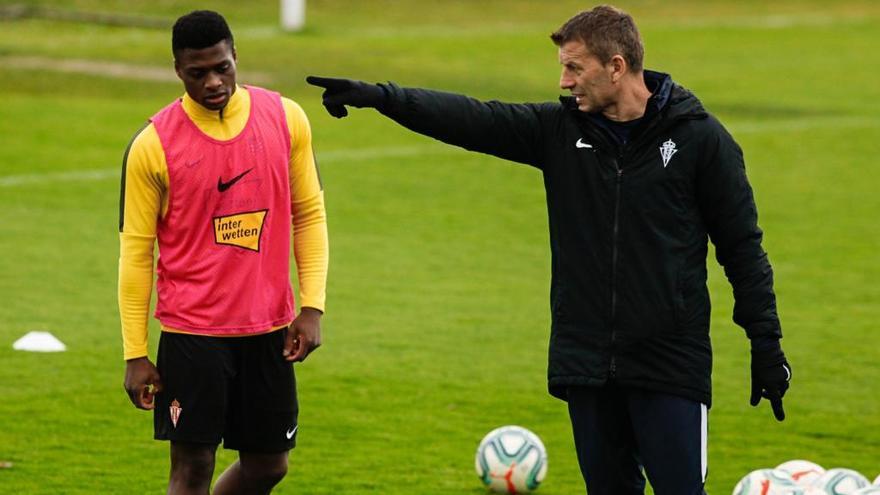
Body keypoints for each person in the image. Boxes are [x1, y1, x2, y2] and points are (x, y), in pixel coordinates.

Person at [307, 5, 790, 495]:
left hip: (668, 363)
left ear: (617, 66)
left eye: (574, 67)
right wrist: (381, 97)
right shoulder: (559, 132)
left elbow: (743, 250)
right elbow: (471, 118)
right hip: (586, 363)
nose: (564, 81)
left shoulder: (702, 141)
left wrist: (766, 344)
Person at [118, 10, 328, 494]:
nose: (213, 82)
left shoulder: (286, 117)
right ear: (177, 70)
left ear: (236, 56)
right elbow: (136, 253)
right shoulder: (153, 145)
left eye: (222, 68)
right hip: (193, 334)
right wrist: (136, 352)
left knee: (269, 465)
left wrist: (312, 306)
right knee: (192, 468)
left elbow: (310, 215)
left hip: (269, 328)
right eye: (198, 73)